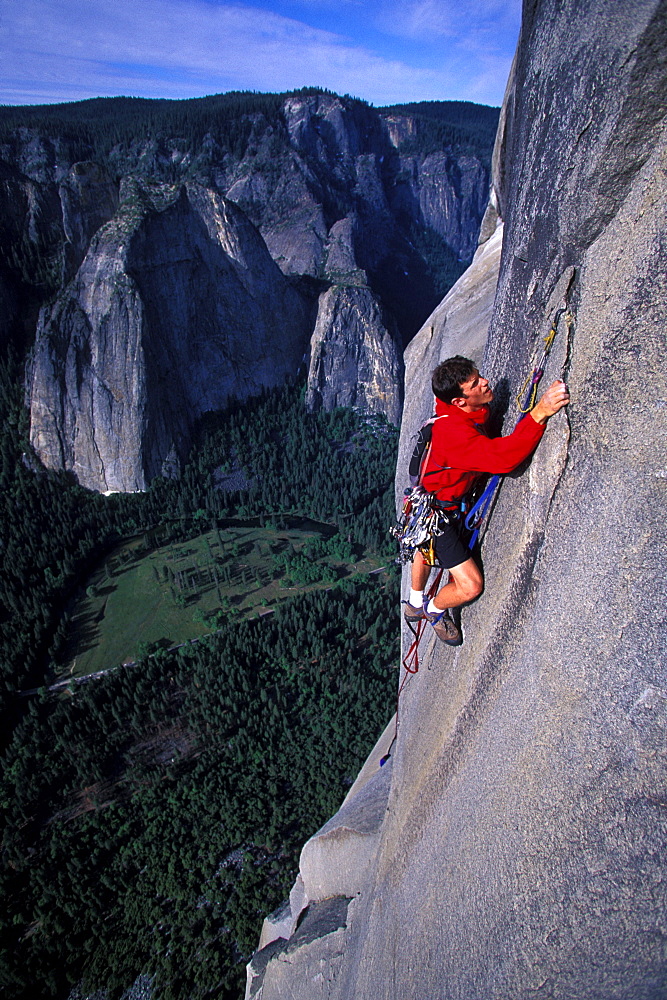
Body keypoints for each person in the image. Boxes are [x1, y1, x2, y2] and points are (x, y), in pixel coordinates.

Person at [404, 355, 569, 645]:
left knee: (424, 546)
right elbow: (504, 460)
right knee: (469, 586)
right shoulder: (452, 433)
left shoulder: (450, 408)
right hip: (440, 515)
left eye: (479, 376)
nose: (485, 382)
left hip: (432, 504)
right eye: (475, 383)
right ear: (459, 401)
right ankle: (432, 608)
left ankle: (415, 603)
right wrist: (539, 413)